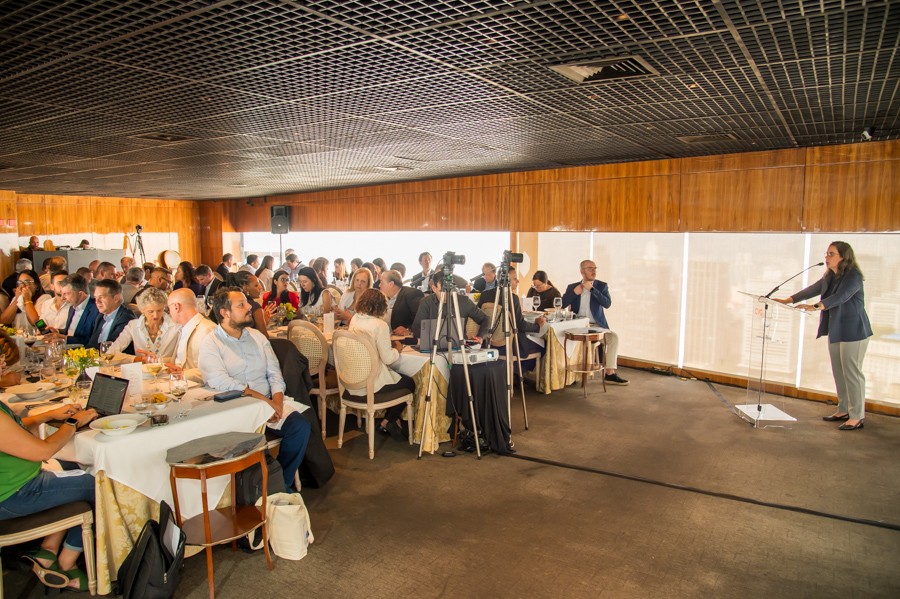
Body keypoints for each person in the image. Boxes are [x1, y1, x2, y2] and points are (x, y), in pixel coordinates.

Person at [199, 288, 312, 491]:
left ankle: (281, 484)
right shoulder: (211, 344)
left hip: (270, 401)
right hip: (239, 408)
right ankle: (267, 489)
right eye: (241, 304)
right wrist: (264, 403)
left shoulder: (257, 337)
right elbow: (222, 382)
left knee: (301, 427)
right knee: (257, 445)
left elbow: (274, 373)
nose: (249, 307)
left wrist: (276, 403)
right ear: (224, 313)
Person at [0, 395, 97, 592]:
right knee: (99, 486)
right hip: (16, 493)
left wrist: (46, 416)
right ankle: (66, 564)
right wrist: (73, 421)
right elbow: (44, 451)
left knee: (70, 465)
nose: (4, 363)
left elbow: (12, 431)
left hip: (17, 485)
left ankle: (48, 551)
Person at [774, 242, 873, 430]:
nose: (826, 257)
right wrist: (789, 299)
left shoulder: (854, 276)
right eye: (826, 253)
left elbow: (842, 297)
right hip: (837, 329)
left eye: (831, 254)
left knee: (852, 373)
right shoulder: (830, 276)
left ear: (843, 257)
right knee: (839, 371)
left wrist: (816, 306)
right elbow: (813, 288)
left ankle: (857, 416)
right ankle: (844, 409)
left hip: (854, 331)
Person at [347, 289, 416, 442]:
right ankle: (388, 421)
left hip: (353, 378)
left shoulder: (355, 320)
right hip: (371, 382)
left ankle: (388, 421)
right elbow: (388, 359)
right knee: (409, 383)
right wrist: (397, 348)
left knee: (399, 381)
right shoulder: (380, 325)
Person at [560, 260, 628, 385]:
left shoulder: (601, 286)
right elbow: (562, 304)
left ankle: (610, 374)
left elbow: (607, 304)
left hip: (596, 326)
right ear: (582, 271)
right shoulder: (572, 287)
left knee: (614, 337)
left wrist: (592, 290)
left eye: (595, 268)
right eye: (590, 268)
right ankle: (572, 374)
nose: (594, 271)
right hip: (577, 325)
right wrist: (575, 293)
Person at [477, 267, 546, 364]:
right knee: (543, 345)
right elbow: (520, 325)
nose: (518, 281)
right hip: (510, 345)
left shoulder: (485, 295)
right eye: (515, 279)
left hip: (489, 343)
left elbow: (479, 317)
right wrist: (537, 326)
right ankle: (521, 372)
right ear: (506, 281)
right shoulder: (512, 298)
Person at [108, 287, 178, 360]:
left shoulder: (176, 326)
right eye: (151, 311)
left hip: (168, 370)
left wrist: (159, 360)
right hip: (141, 370)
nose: (156, 315)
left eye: (159, 310)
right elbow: (111, 353)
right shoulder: (133, 326)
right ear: (142, 310)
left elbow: (181, 358)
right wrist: (137, 359)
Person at [163, 289, 217, 382]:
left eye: (168, 309)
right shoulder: (183, 328)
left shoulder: (207, 329)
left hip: (200, 389)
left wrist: (182, 374)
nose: (169, 313)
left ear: (176, 307)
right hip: (180, 383)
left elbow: (215, 369)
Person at [412, 276, 489, 341]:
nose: (446, 295)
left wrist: (480, 336)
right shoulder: (426, 302)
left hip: (459, 346)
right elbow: (416, 328)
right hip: (433, 344)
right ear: (433, 288)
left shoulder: (464, 301)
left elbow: (485, 319)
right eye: (441, 291)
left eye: (449, 291)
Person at [87, 279, 137, 350]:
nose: (97, 302)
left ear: (116, 298)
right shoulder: (100, 316)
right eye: (95, 298)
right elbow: (91, 344)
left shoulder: (126, 317)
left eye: (102, 297)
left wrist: (87, 353)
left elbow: (112, 346)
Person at [53, 274, 98, 346]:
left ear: (80, 294)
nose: (62, 298)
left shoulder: (96, 309)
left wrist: (65, 338)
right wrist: (57, 332)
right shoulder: (72, 305)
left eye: (66, 294)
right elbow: (73, 331)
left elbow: (93, 341)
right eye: (61, 294)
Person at [379, 270, 423, 336]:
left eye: (382, 282)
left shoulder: (411, 294)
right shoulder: (381, 297)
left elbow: (420, 320)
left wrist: (408, 329)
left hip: (401, 338)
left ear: (391, 284)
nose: (379, 285)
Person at [231, 271, 275, 337]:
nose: (260, 287)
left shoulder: (230, 304)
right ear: (245, 288)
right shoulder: (254, 307)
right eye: (256, 285)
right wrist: (264, 322)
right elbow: (263, 337)